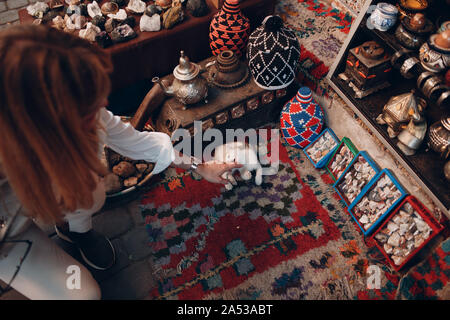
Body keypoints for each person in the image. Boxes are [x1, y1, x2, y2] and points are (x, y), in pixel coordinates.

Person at [0, 24, 241, 300]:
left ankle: (74, 231)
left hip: (33, 195)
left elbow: (135, 141)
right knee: (82, 295)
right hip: (6, 237)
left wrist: (201, 166)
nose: (103, 102)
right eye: (87, 106)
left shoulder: (76, 109)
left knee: (89, 190)